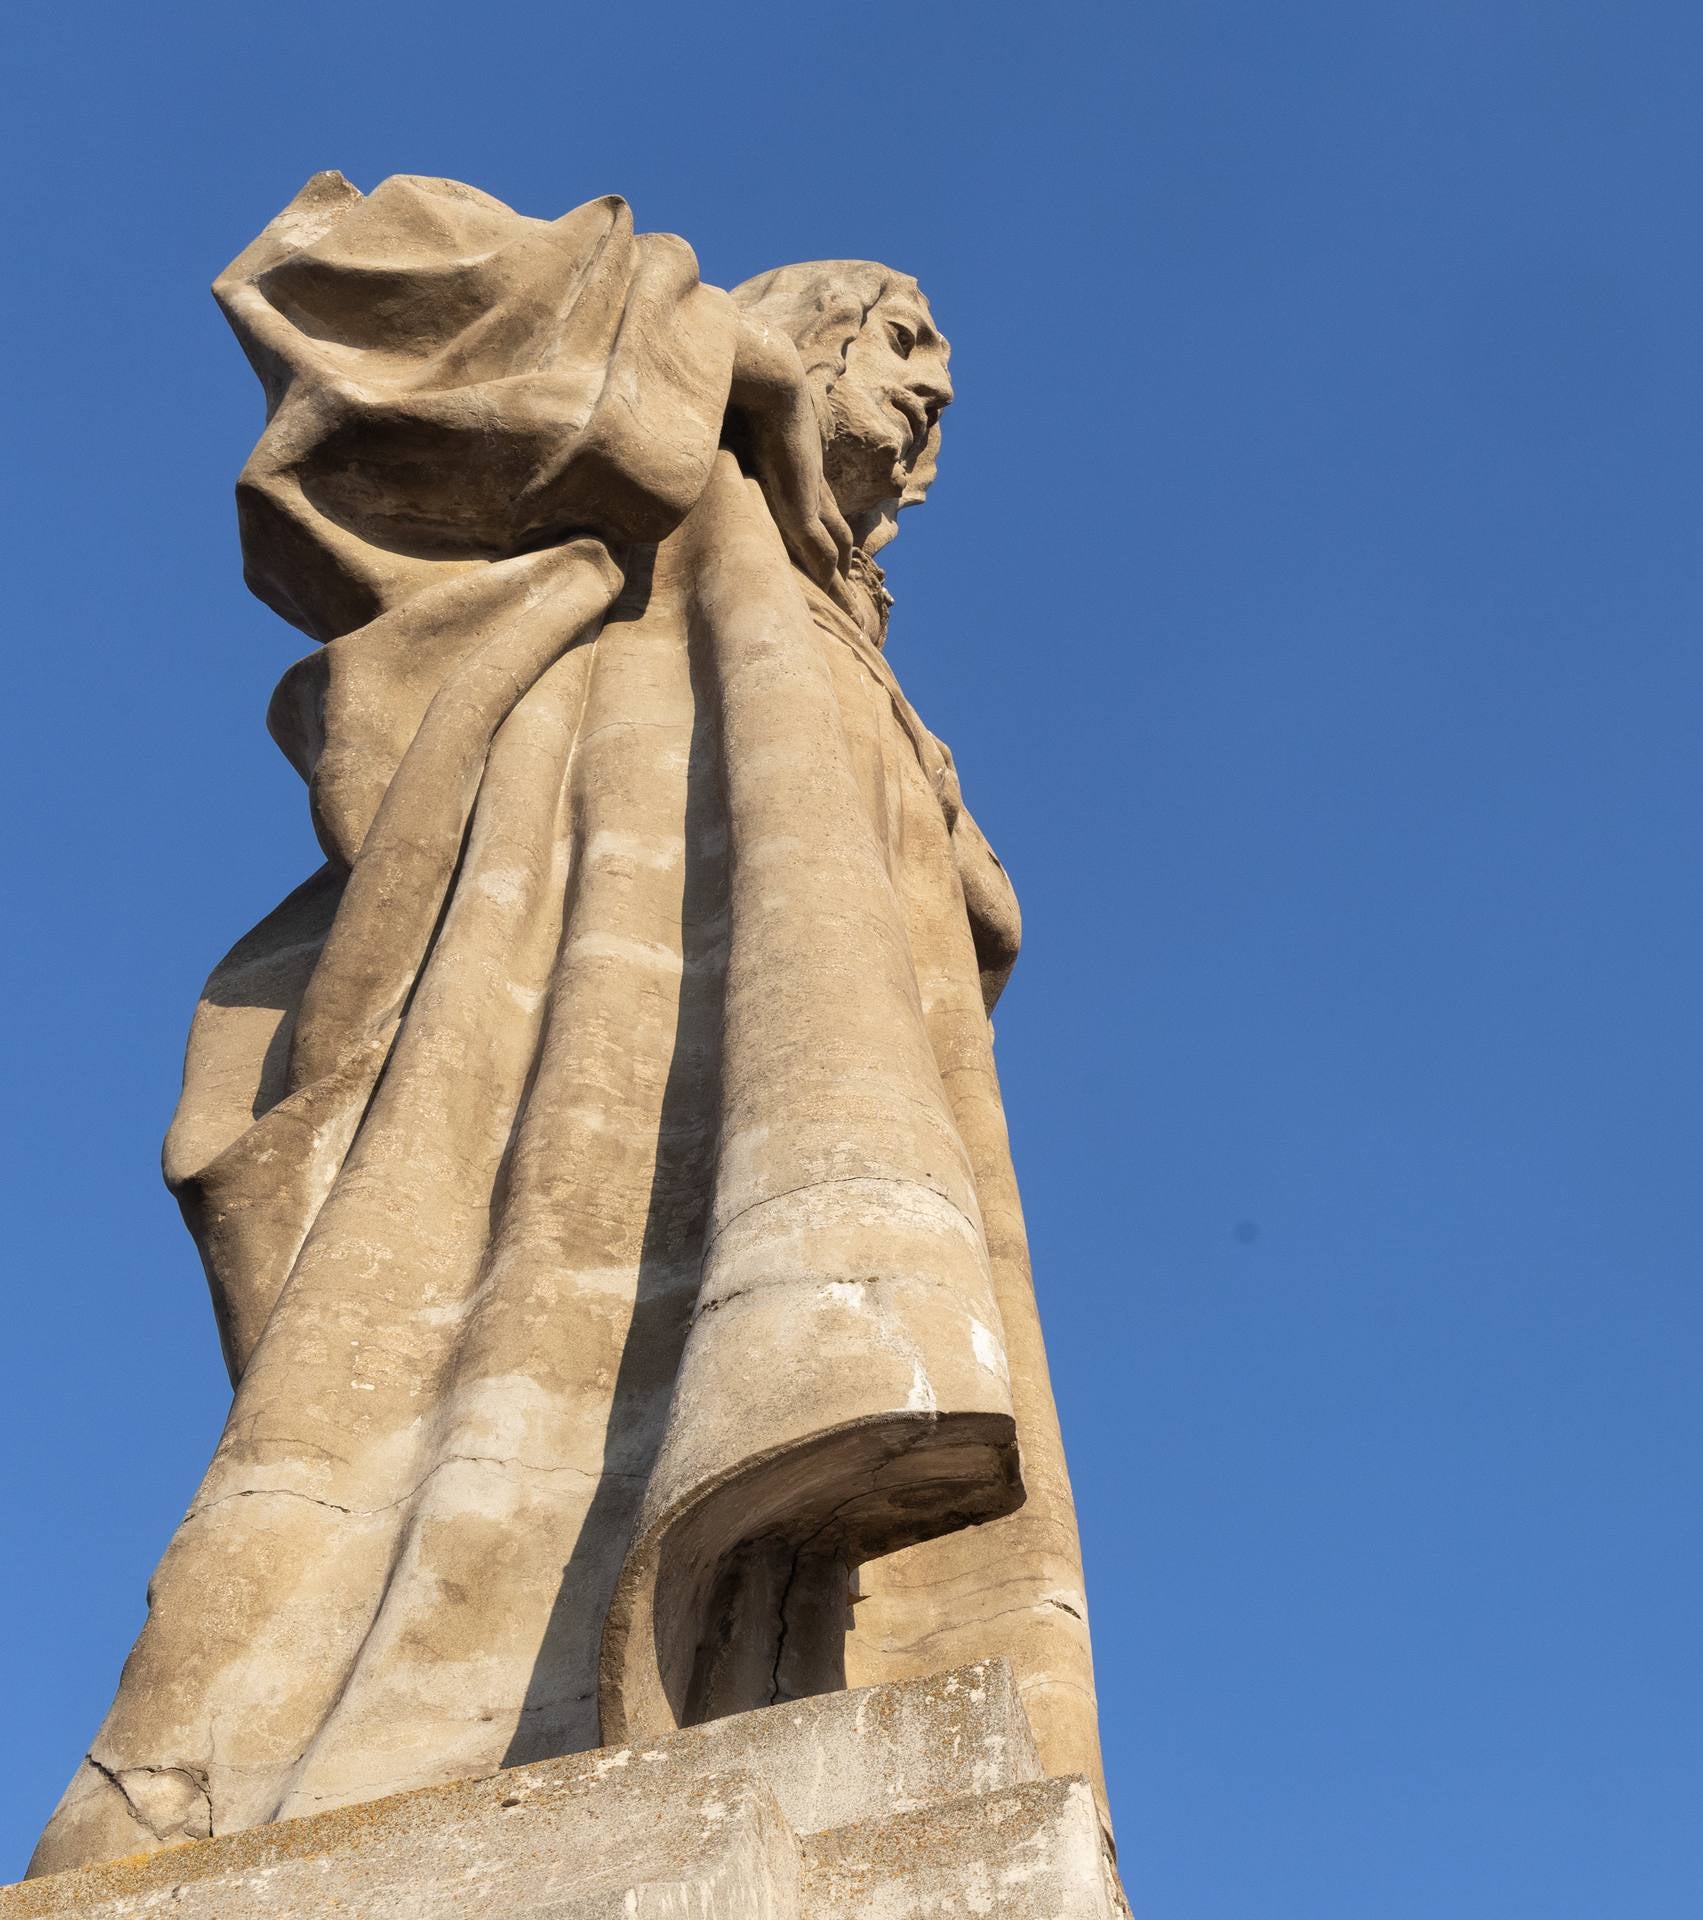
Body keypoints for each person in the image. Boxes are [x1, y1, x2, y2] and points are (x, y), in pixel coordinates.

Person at [30, 173, 1104, 1876]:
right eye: (898, 341)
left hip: (790, 1122)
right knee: (524, 1332)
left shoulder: (859, 659)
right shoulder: (646, 512)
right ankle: (437, 1709)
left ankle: (739, 1664)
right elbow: (334, 266)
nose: (934, 390)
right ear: (802, 332)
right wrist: (692, 333)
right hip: (579, 985)